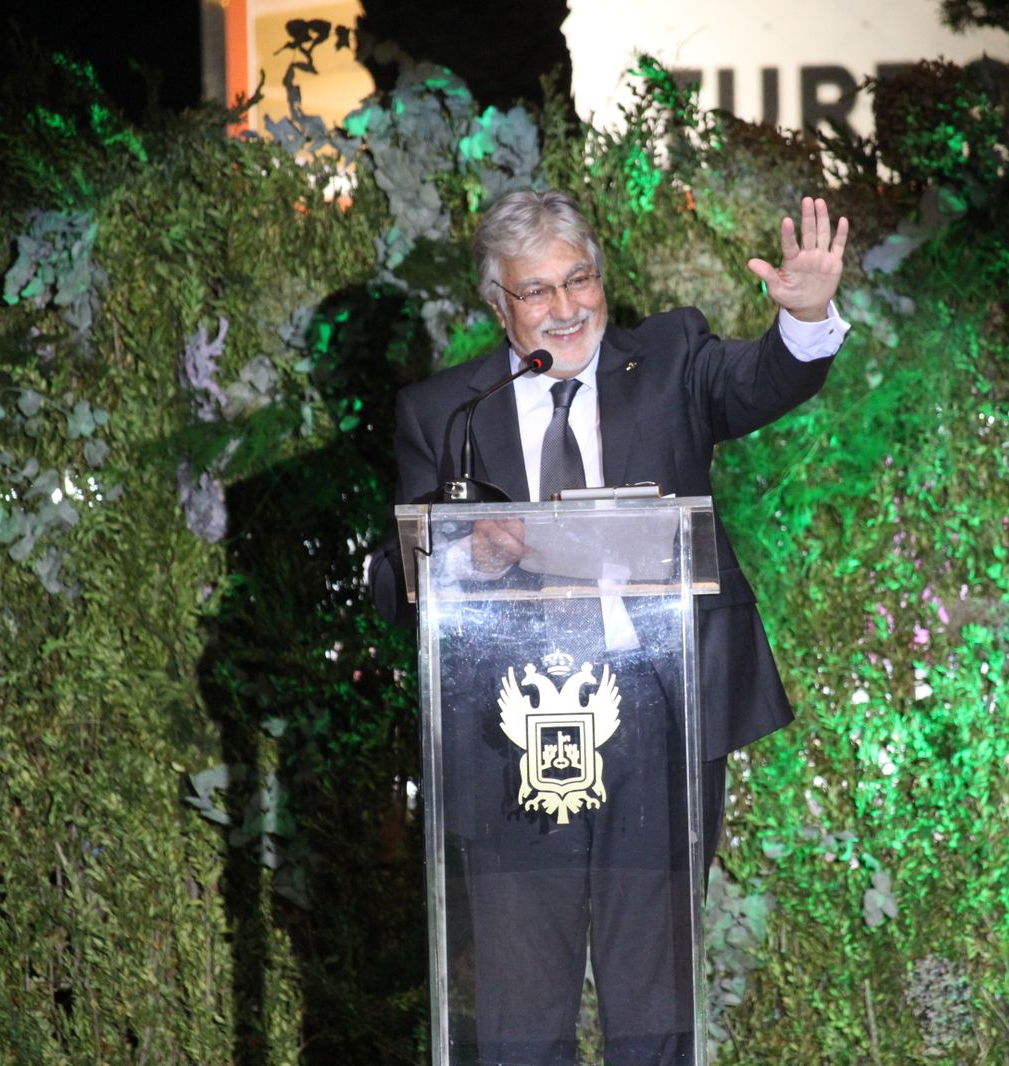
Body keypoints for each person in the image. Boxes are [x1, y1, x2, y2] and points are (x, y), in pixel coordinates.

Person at [373, 188, 848, 1064]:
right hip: (510, 729)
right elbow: (396, 578)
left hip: (661, 716)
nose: (566, 308)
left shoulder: (669, 360)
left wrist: (806, 318)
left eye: (579, 280)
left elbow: (760, 382)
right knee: (521, 1011)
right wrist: (465, 559)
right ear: (497, 303)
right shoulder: (448, 413)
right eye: (538, 292)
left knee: (652, 998)